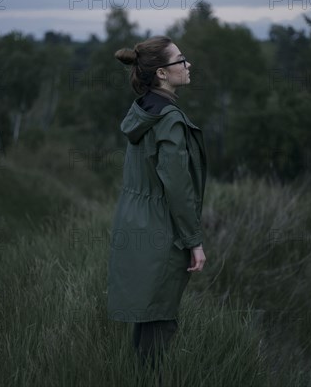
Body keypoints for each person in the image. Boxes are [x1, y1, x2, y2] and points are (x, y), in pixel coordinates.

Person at [107, 36, 208, 374]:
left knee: (145, 317)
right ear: (163, 73)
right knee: (159, 324)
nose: (188, 64)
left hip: (133, 222)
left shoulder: (143, 110)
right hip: (159, 230)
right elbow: (178, 189)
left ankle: (138, 379)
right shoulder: (169, 120)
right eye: (182, 59)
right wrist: (194, 242)